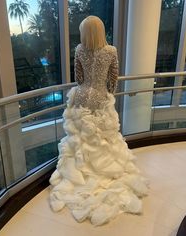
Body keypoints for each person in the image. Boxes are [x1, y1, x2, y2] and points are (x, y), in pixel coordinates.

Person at [49, 16, 149, 226]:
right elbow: (113, 79)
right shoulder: (111, 51)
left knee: (80, 139)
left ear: (84, 32)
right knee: (103, 139)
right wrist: (106, 93)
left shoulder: (79, 50)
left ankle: (82, 173)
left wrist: (87, 87)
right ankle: (102, 170)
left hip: (81, 95)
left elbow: (78, 77)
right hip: (101, 97)